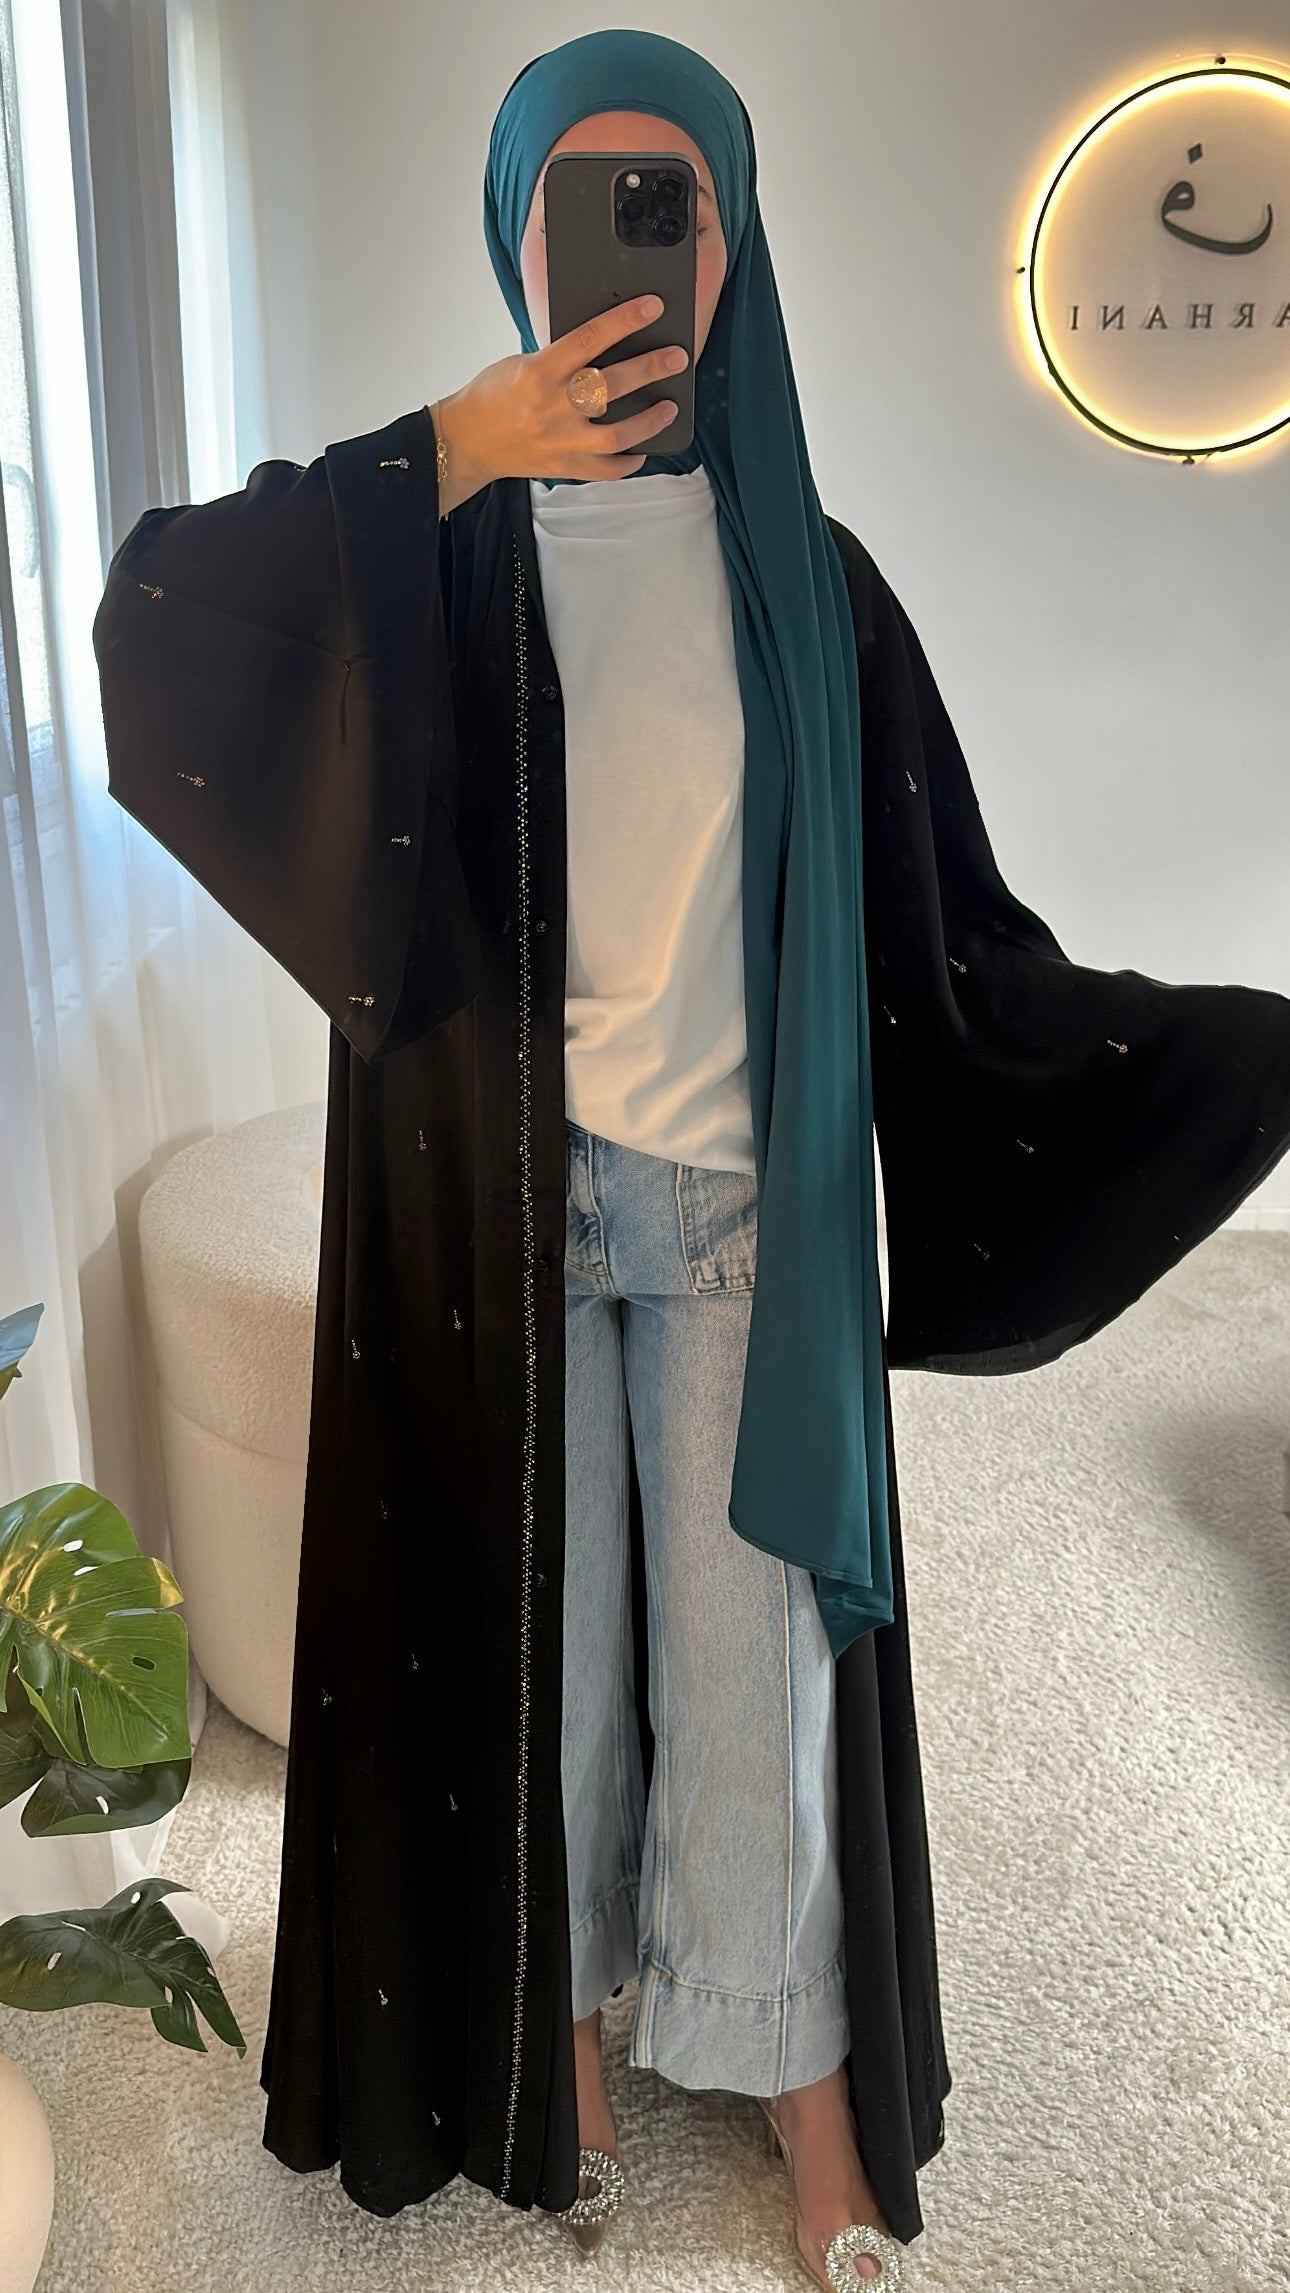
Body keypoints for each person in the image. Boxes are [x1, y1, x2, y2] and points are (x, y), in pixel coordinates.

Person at [90, 29, 1290, 2293]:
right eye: (588, 203)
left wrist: (1237, 1051)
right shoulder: (431, 556)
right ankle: (551, 2034)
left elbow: (959, 937)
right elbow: (159, 621)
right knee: (538, 1663)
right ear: (517, 238)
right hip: (499, 1214)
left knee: (753, 1679)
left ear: (737, 250)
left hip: (738, 1208)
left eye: (683, 206)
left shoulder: (807, 584)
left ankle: (799, 2076)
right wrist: (457, 443)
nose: (637, 248)